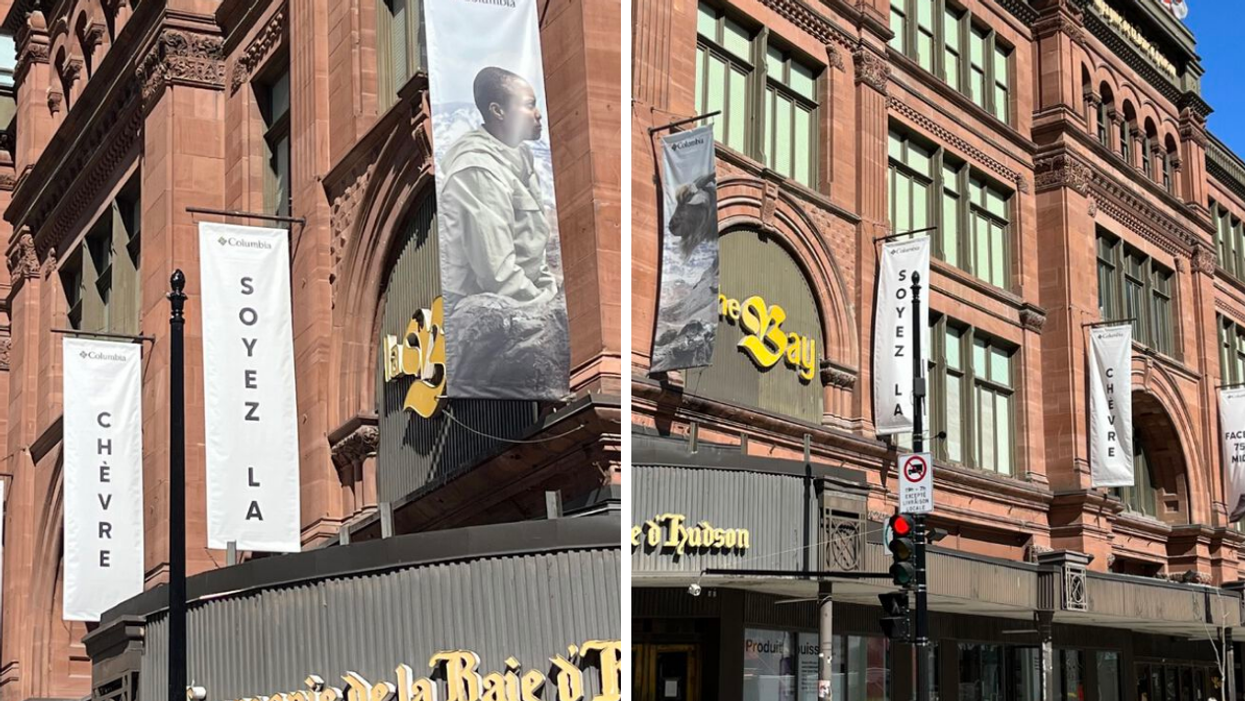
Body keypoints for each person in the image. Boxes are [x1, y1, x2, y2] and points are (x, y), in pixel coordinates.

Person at [438, 66, 557, 312]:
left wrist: (550, 293)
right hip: (488, 313)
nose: (538, 114)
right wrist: (546, 305)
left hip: (524, 299)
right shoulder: (478, 169)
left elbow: (534, 252)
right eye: (528, 105)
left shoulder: (520, 159)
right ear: (498, 111)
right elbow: (497, 274)